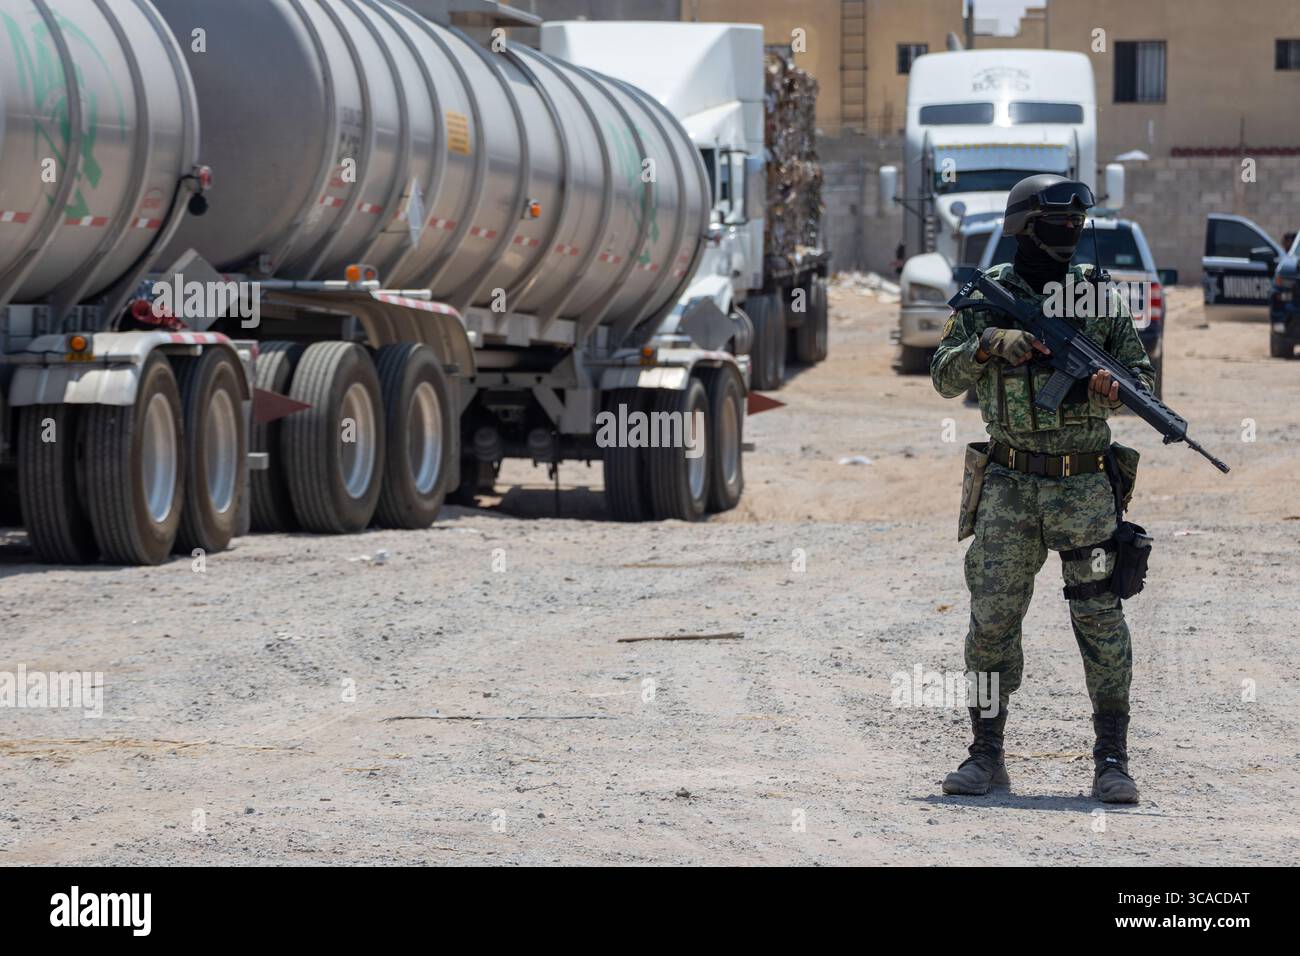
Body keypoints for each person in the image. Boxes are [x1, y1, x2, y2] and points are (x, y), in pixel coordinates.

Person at [931, 174, 1155, 803]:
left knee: (1101, 620)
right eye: (1060, 222)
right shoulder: (991, 294)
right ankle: (985, 753)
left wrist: (1105, 386)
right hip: (1007, 484)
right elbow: (944, 377)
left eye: (1078, 223)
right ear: (1026, 225)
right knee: (992, 622)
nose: (1072, 233)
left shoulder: (1098, 297)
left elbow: (1141, 377)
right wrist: (988, 345)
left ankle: (1112, 758)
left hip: (1084, 488)